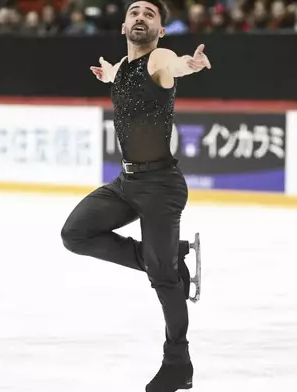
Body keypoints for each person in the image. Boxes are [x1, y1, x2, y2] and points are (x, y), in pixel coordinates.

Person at [60, 0, 211, 390]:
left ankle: (178, 362)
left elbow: (172, 64)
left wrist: (188, 66)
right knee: (75, 234)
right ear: (123, 26)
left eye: (150, 13)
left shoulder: (159, 58)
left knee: (164, 282)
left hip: (161, 186)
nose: (140, 16)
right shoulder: (123, 68)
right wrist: (109, 72)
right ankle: (162, 257)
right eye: (134, 12)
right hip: (126, 184)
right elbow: (117, 73)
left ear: (161, 30)